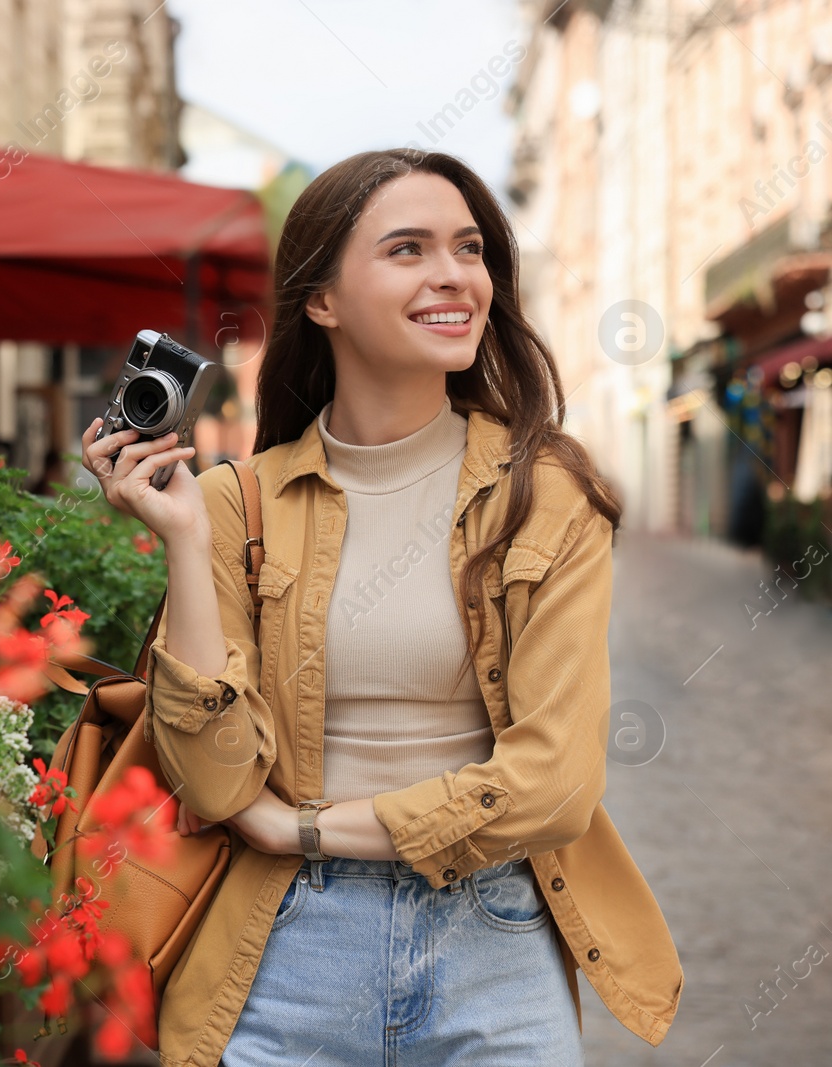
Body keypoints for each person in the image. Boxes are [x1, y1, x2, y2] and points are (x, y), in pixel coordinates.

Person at [79, 150, 682, 1066]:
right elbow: (215, 783)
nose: (454, 275)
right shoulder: (239, 503)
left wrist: (304, 825)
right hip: (284, 951)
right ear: (320, 298)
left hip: (495, 943)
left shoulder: (545, 492)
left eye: (470, 248)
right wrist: (185, 538)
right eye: (408, 248)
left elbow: (557, 780)